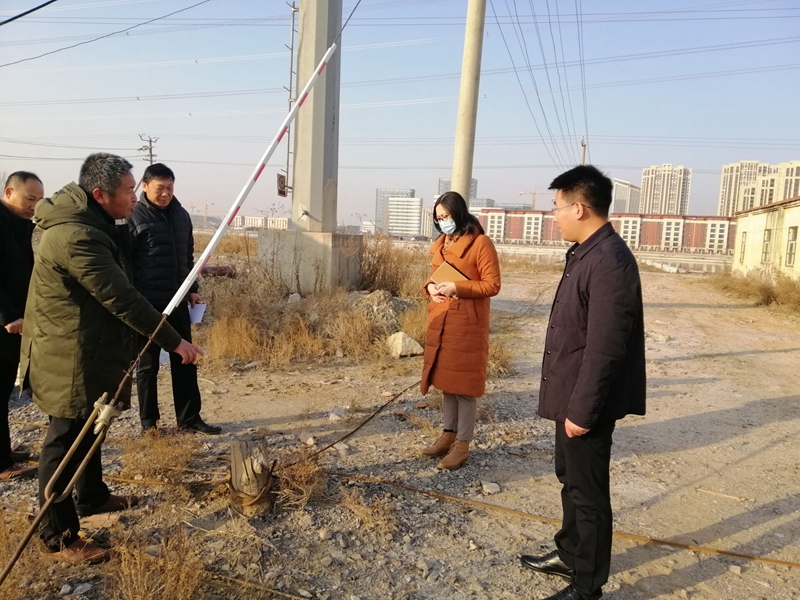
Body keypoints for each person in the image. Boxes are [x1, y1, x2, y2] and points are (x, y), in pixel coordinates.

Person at [21, 153, 203, 564]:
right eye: (128, 190)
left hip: (88, 348)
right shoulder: (76, 236)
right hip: (69, 355)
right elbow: (119, 296)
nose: (134, 197)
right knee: (66, 439)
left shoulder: (96, 223)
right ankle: (58, 537)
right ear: (100, 194)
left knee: (91, 426)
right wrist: (175, 342)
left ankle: (92, 496)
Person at [519, 165, 646, 600]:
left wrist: (582, 411)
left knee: (589, 494)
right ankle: (570, 553)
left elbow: (605, 348)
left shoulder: (609, 260)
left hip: (585, 403)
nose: (552, 216)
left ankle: (587, 587)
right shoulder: (586, 252)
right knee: (569, 479)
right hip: (570, 395)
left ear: (579, 208)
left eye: (556, 207)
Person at [127, 163, 220, 435]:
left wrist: (192, 288)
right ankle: (150, 425)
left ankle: (189, 418)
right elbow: (125, 262)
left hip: (178, 300)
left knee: (185, 359)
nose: (165, 193)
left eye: (169, 188)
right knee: (147, 366)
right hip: (147, 304)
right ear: (145, 186)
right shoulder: (134, 216)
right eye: (160, 188)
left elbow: (187, 258)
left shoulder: (181, 216)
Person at [419, 191, 501, 470]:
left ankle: (462, 444)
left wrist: (458, 287)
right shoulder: (441, 245)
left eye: (447, 215)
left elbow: (492, 285)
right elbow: (433, 278)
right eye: (439, 217)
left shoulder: (481, 244)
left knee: (464, 387)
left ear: (459, 213)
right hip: (442, 320)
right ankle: (448, 435)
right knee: (447, 383)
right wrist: (430, 287)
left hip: (467, 324)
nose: (443, 221)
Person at [0, 172, 44, 480]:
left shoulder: (20, 226)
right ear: (8, 192)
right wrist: (7, 316)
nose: (34, 206)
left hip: (19, 322)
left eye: (39, 200)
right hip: (6, 323)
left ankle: (4, 450)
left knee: (4, 390)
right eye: (30, 199)